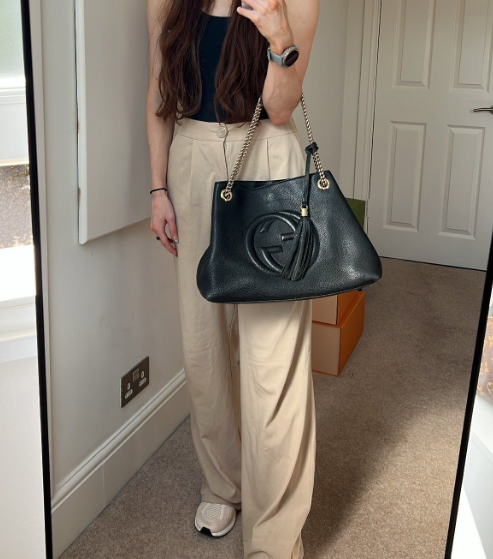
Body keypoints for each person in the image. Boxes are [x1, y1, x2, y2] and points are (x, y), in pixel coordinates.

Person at [146, 1, 319, 557]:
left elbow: (281, 107)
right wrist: (157, 188)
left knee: (273, 358)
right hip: (191, 160)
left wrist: (278, 35)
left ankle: (274, 533)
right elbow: (159, 92)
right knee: (204, 346)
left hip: (267, 157)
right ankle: (223, 485)